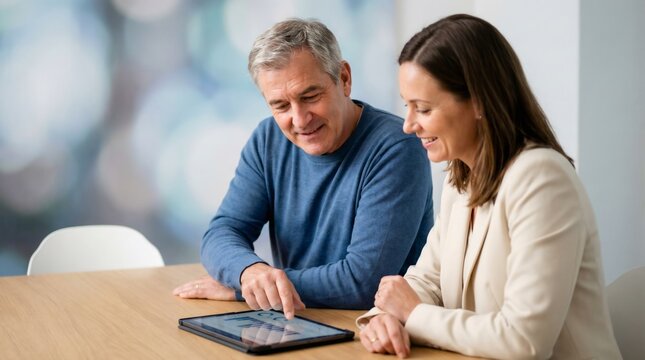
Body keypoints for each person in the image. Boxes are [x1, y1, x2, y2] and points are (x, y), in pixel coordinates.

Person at [357, 14, 622, 359]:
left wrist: (413, 315)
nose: (408, 125)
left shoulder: (541, 178)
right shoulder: (460, 178)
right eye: (407, 107)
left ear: (479, 101)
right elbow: (428, 280)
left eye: (422, 109)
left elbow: (524, 341)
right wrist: (383, 317)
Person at [173, 18, 434, 320]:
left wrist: (245, 291)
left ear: (344, 78)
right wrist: (248, 272)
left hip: (373, 330)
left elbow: (364, 282)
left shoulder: (397, 147)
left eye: (310, 97)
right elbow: (223, 231)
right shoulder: (267, 139)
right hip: (297, 322)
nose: (299, 119)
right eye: (281, 106)